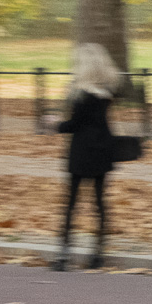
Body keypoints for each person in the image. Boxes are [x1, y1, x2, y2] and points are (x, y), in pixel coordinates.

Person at [53, 43, 120, 272]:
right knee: (99, 203)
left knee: (72, 203)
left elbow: (74, 125)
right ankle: (98, 253)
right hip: (102, 150)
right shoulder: (107, 93)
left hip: (81, 152)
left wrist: (55, 125)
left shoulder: (80, 95)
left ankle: (64, 253)